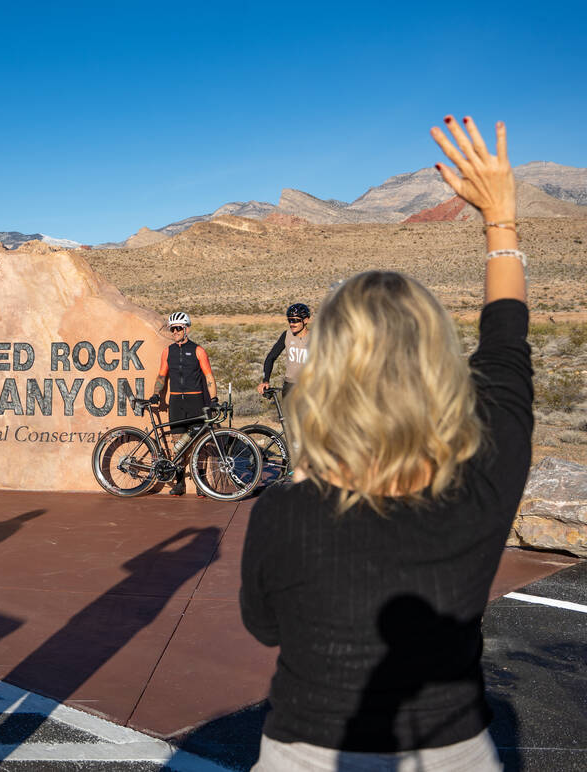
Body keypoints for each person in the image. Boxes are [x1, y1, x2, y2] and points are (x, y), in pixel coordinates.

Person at [240, 116, 528, 771]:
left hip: (308, 752)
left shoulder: (285, 512)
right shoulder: (483, 484)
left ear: (328, 369)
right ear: (440, 363)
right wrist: (501, 219)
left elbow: (266, 629)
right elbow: (508, 351)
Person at [152, 311, 218, 496]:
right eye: (172, 329)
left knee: (199, 444)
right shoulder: (167, 351)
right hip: (175, 402)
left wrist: (213, 399)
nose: (175, 332)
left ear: (186, 329)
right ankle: (179, 483)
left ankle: (200, 483)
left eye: (178, 328)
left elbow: (209, 376)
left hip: (195, 401)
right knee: (177, 444)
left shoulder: (198, 350)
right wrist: (156, 394)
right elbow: (161, 375)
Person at [257, 303, 310, 399]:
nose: (291, 324)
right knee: (287, 414)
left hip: (310, 387)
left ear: (306, 320)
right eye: (289, 320)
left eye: (295, 320)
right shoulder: (287, 335)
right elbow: (271, 357)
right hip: (290, 386)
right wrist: (265, 381)